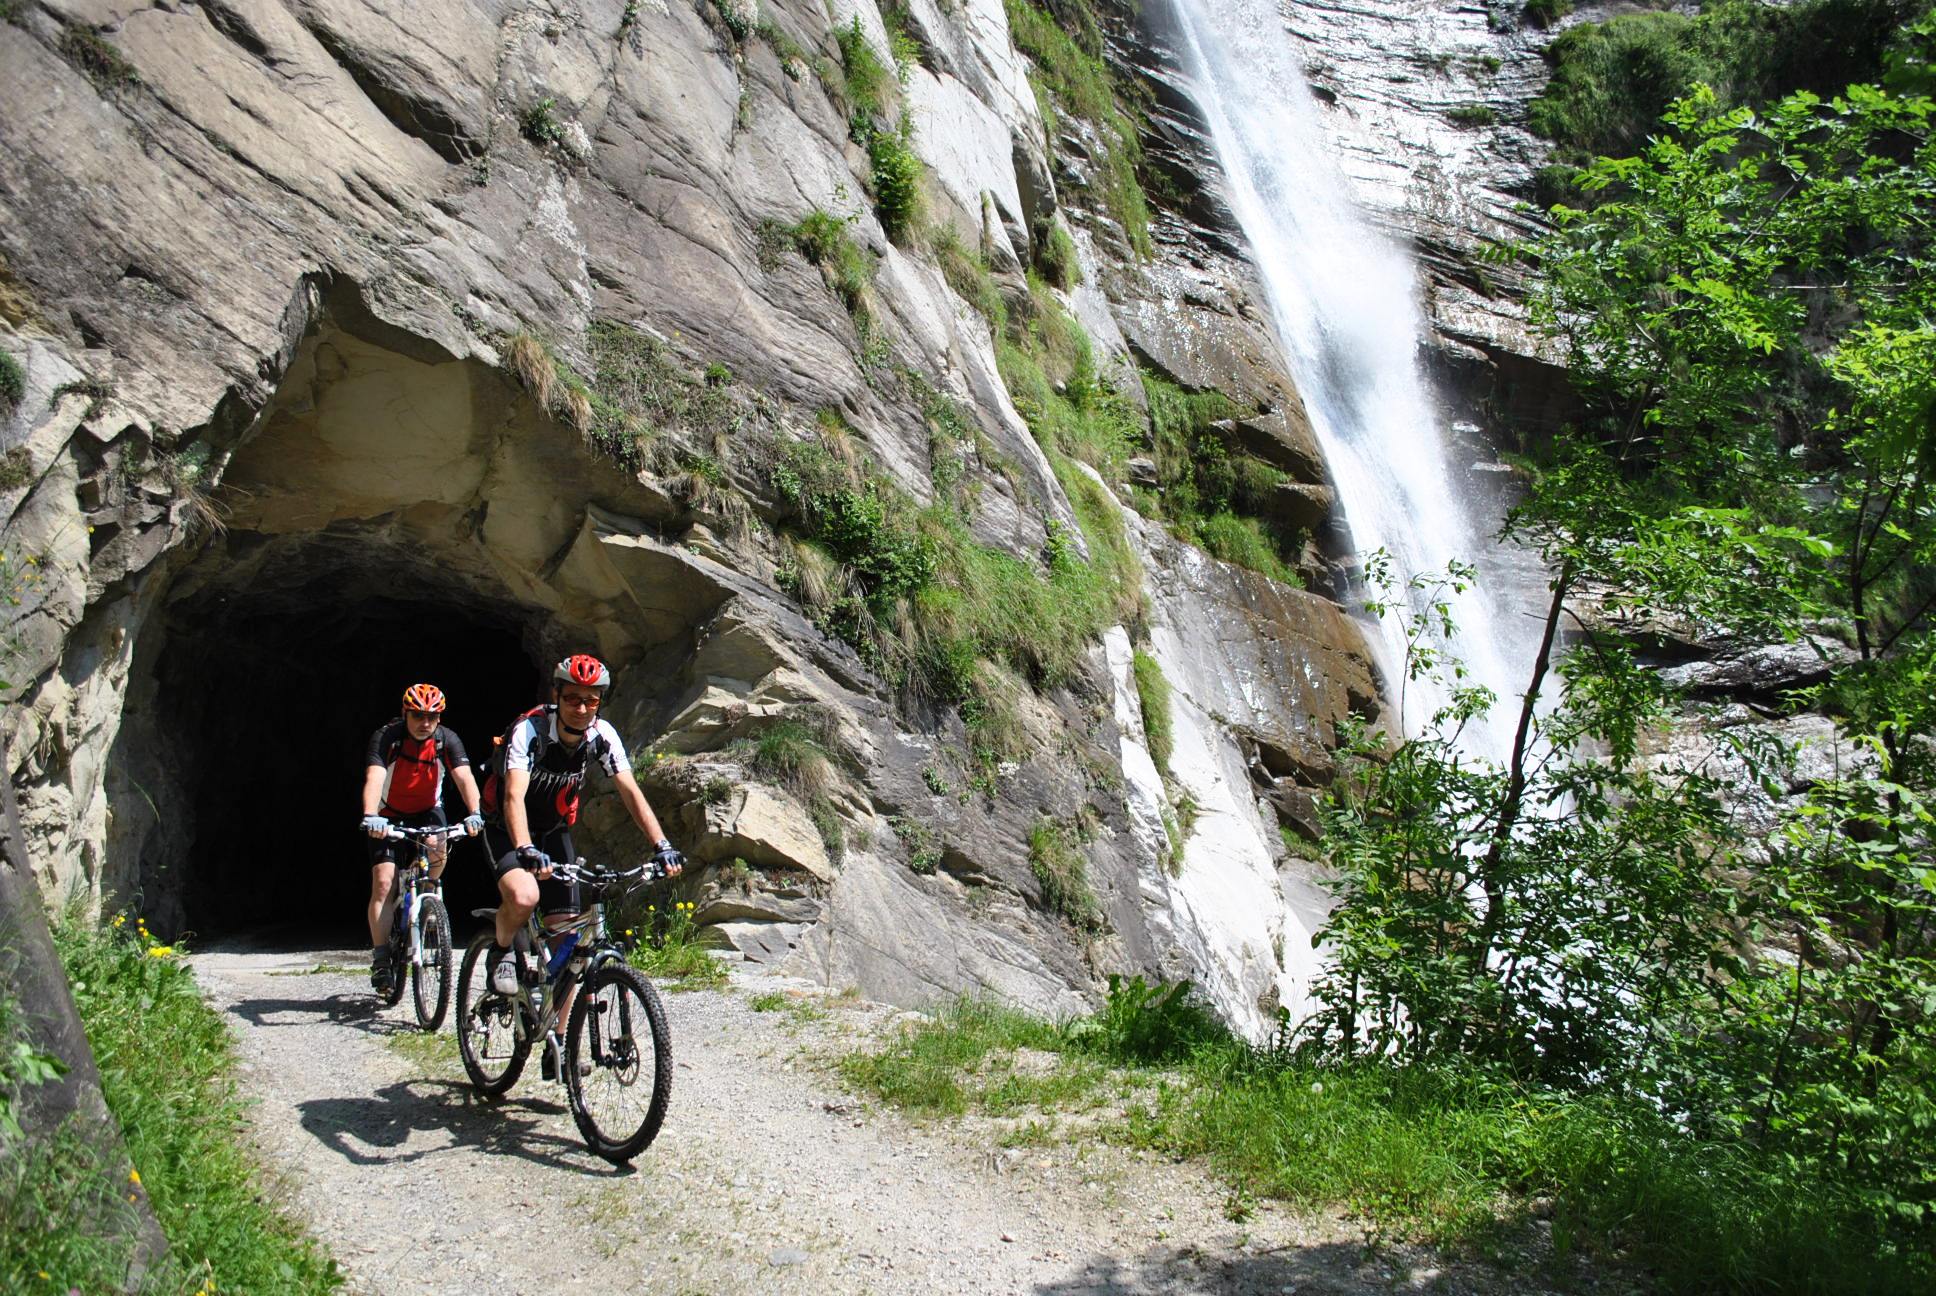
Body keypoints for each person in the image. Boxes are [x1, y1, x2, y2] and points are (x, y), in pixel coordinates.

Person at [482, 655, 683, 1071]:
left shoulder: (601, 736)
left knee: (569, 939)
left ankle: (556, 1042)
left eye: (591, 700)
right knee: (524, 895)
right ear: (556, 695)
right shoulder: (531, 730)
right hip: (507, 827)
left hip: (554, 832)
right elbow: (513, 796)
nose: (581, 707)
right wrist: (524, 848)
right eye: (572, 698)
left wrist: (662, 845)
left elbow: (630, 791)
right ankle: (500, 951)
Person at [360, 683, 484, 991]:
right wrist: (371, 815)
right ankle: (381, 960)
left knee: (438, 845)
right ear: (405, 714)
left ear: (439, 718)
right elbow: (374, 776)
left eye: (432, 716)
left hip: (428, 810)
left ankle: (427, 897)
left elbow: (465, 778)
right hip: (387, 813)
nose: (425, 722)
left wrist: (475, 813)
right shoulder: (387, 737)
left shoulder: (446, 740)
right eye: (418, 715)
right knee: (384, 882)